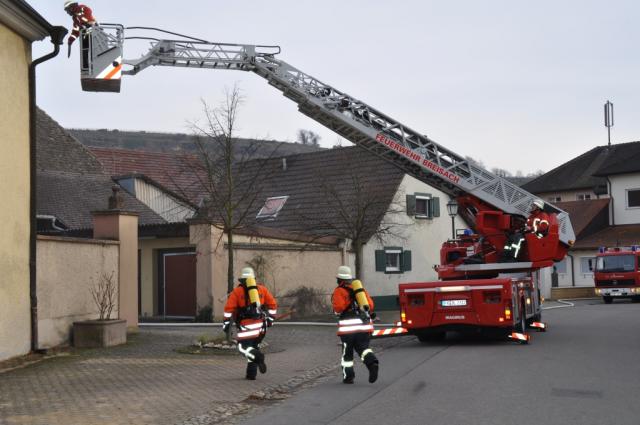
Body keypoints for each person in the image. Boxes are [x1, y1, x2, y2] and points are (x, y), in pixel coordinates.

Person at [223, 267, 277, 380]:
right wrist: (270, 320)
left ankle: (259, 357)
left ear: (242, 280)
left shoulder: (237, 292)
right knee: (253, 347)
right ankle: (251, 375)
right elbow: (273, 305)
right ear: (253, 278)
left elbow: (228, 310)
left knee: (242, 348)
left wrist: (226, 325)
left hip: (247, 326)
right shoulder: (262, 289)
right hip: (261, 327)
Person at [332, 266, 379, 384]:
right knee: (364, 349)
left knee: (347, 353)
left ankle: (349, 377)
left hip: (348, 329)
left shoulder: (339, 291)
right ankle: (372, 363)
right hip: (364, 326)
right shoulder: (360, 290)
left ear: (339, 279)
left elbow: (338, 308)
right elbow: (370, 305)